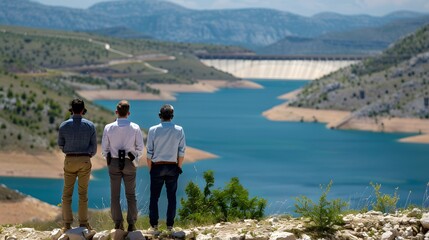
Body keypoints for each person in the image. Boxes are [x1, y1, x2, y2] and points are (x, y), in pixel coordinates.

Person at [101, 100, 144, 232]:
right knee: (131, 194)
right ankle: (131, 224)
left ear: (116, 112)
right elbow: (140, 149)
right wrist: (134, 157)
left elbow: (104, 149)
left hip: (113, 162)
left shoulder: (108, 127)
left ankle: (118, 224)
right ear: (128, 113)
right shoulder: (135, 128)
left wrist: (109, 158)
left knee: (115, 195)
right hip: (130, 162)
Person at [58, 98, 97, 231]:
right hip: (85, 160)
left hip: (69, 160)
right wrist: (86, 155)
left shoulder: (63, 125)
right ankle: (83, 223)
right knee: (83, 193)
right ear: (82, 110)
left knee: (67, 193)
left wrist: (69, 151)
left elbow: (61, 145)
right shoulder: (90, 125)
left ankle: (67, 224)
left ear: (71, 110)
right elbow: (94, 148)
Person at [146, 104, 186, 231]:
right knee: (172, 197)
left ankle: (154, 226)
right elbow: (181, 151)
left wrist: (150, 169)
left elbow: (149, 153)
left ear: (159, 116)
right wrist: (179, 167)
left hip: (157, 167)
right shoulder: (179, 130)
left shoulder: (153, 130)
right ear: (172, 116)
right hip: (172, 167)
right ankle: (170, 226)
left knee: (154, 197)